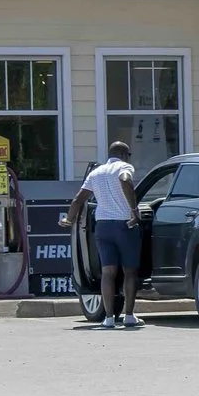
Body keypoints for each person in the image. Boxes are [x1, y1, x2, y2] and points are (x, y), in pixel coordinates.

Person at [66, 141, 142, 329]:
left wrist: (69, 219)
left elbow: (78, 199)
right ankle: (129, 315)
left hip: (102, 226)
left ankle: (109, 318)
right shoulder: (124, 167)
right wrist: (134, 210)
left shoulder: (96, 173)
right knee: (130, 271)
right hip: (124, 225)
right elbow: (125, 180)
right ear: (124, 155)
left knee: (108, 272)